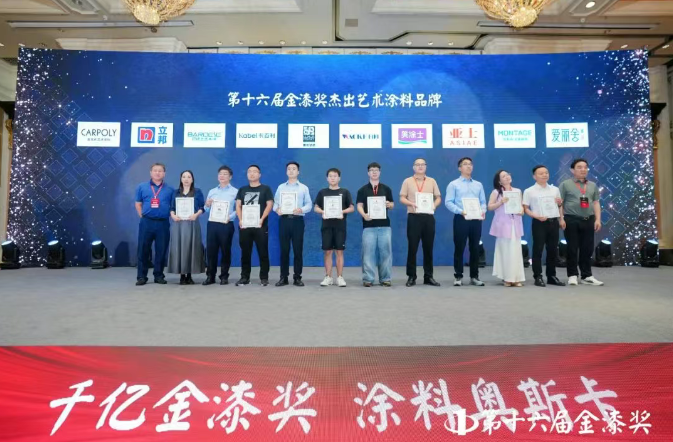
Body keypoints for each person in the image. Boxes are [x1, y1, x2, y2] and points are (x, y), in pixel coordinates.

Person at [559, 158, 604, 286]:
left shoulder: (592, 185)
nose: (583, 169)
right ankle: (572, 275)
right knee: (572, 248)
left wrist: (598, 219)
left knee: (587, 249)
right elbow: (560, 203)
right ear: (572, 170)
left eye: (585, 167)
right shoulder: (565, 184)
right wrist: (561, 218)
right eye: (579, 167)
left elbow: (596, 202)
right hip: (571, 219)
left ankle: (587, 275)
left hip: (588, 219)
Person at [399, 158, 442, 287]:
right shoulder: (407, 181)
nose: (420, 166)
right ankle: (411, 276)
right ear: (413, 167)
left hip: (428, 217)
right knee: (412, 248)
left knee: (428, 248)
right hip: (414, 217)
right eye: (417, 165)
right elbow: (402, 198)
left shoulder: (432, 181)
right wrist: (411, 203)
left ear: (426, 167)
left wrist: (434, 205)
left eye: (423, 164)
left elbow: (438, 198)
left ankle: (428, 276)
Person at [445, 157, 487, 287]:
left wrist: (483, 211)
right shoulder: (453, 184)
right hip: (461, 218)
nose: (468, 166)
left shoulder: (478, 185)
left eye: (470, 164)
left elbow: (483, 202)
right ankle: (458, 276)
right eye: (465, 164)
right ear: (460, 168)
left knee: (475, 248)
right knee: (459, 247)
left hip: (476, 219)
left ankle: (474, 276)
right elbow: (448, 202)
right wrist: (460, 211)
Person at [523, 165, 566, 287]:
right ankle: (538, 276)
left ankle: (551, 276)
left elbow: (559, 205)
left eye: (546, 172)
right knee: (538, 249)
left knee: (553, 250)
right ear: (534, 176)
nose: (544, 175)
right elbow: (526, 208)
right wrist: (536, 216)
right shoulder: (529, 191)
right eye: (541, 173)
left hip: (553, 222)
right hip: (539, 223)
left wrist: (561, 218)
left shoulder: (554, 189)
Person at [273, 161, 312, 287]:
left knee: (297, 250)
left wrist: (301, 209)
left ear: (298, 172)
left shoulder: (303, 188)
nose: (291, 171)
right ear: (286, 171)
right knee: (284, 250)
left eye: (294, 169)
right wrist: (277, 209)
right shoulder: (281, 187)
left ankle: (297, 277)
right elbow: (275, 203)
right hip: (284, 220)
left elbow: (309, 205)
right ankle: (283, 277)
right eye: (289, 169)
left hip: (297, 221)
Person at [134, 163, 174, 286]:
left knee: (161, 250)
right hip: (147, 222)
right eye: (155, 170)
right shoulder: (142, 187)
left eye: (160, 171)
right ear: (150, 172)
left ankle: (159, 275)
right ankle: (142, 276)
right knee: (143, 250)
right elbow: (138, 203)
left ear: (164, 174)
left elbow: (173, 206)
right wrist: (143, 216)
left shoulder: (170, 189)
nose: (157, 173)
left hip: (163, 223)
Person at [356, 162, 394, 287]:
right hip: (369, 226)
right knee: (368, 253)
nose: (374, 172)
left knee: (386, 253)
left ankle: (385, 278)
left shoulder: (386, 189)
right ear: (368, 173)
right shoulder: (362, 190)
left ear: (380, 172)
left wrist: (389, 204)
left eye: (376, 170)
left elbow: (392, 204)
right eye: (372, 170)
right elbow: (359, 205)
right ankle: (368, 279)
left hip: (385, 226)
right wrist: (364, 215)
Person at [314, 168, 354, 287]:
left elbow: (352, 208)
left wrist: (342, 211)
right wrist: (322, 212)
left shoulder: (345, 192)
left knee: (339, 252)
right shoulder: (322, 192)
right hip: (326, 226)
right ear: (327, 178)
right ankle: (328, 277)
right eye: (330, 176)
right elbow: (316, 207)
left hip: (340, 226)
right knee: (327, 252)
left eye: (335, 176)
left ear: (339, 178)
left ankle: (340, 277)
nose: (332, 178)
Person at [235, 165, 274, 286]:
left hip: (260, 226)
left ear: (259, 174)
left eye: (255, 172)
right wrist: (240, 220)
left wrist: (262, 219)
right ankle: (244, 277)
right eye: (249, 172)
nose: (252, 174)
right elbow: (238, 206)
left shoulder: (266, 189)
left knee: (263, 252)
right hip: (245, 226)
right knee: (245, 253)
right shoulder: (242, 189)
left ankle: (264, 277)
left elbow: (269, 205)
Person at [488, 169, 525, 287]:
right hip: (503, 226)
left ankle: (516, 278)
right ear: (499, 181)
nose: (507, 177)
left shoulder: (517, 191)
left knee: (516, 251)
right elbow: (490, 207)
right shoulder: (496, 192)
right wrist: (501, 202)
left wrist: (521, 211)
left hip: (516, 224)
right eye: (503, 176)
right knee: (505, 251)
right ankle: (507, 278)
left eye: (508, 174)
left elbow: (521, 207)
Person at [167, 170, 205, 284]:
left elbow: (202, 207)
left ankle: (189, 275)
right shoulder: (175, 192)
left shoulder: (197, 192)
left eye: (189, 177)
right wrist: (173, 215)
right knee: (179, 248)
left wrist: (196, 215)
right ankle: (182, 276)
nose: (186, 179)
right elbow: (172, 208)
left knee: (191, 248)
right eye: (184, 177)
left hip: (192, 223)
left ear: (192, 179)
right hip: (178, 224)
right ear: (181, 179)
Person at [202, 165, 238, 286]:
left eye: (225, 174)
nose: (222, 176)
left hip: (226, 224)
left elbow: (239, 209)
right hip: (212, 224)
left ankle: (224, 276)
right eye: (220, 174)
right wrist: (207, 204)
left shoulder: (235, 192)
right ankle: (210, 276)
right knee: (211, 251)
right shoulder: (212, 191)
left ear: (230, 177)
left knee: (225, 250)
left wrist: (230, 217)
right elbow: (206, 209)